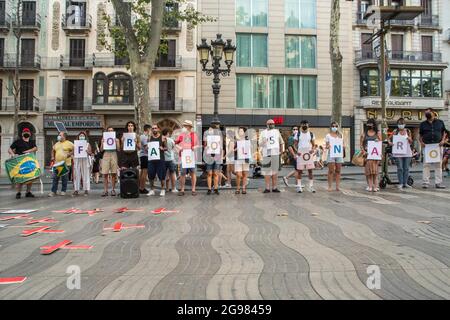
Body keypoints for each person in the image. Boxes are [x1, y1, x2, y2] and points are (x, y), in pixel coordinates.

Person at [419, 108, 447, 189]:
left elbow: (444, 132)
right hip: (427, 146)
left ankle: (438, 182)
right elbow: (420, 135)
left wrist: (443, 140)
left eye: (428, 112)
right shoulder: (423, 124)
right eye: (426, 112)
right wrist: (421, 142)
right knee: (426, 165)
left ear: (433, 113)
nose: (427, 113)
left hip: (438, 145)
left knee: (438, 165)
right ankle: (425, 182)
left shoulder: (440, 122)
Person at [8, 128, 38, 199]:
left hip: (29, 162)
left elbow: (35, 148)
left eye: (27, 132)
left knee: (30, 177)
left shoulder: (31, 142)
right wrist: (13, 154)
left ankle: (28, 192)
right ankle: (18, 192)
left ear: (30, 134)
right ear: (22, 134)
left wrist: (28, 151)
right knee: (20, 178)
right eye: (25, 132)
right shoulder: (18, 142)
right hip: (19, 162)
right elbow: (9, 149)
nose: (26, 133)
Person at [259, 119, 284, 193]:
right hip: (266, 153)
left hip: (275, 153)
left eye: (272, 123)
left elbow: (281, 141)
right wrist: (263, 142)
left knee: (275, 172)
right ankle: (267, 187)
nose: (271, 125)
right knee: (267, 172)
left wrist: (281, 151)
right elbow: (260, 143)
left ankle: (274, 187)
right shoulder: (263, 133)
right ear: (266, 124)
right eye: (270, 123)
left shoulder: (277, 132)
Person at [175, 120, 199, 196]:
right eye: (184, 126)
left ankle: (193, 189)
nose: (184, 127)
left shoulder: (194, 135)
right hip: (183, 156)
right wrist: (179, 148)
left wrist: (194, 147)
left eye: (185, 126)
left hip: (192, 156)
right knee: (182, 173)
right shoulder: (181, 135)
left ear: (189, 127)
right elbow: (175, 144)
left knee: (193, 173)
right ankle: (182, 189)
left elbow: (198, 145)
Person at [388, 118, 413, 190]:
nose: (401, 125)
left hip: (407, 152)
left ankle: (405, 183)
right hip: (398, 152)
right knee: (400, 168)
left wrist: (409, 139)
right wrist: (390, 142)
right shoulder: (395, 131)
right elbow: (388, 138)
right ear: (397, 124)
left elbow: (411, 141)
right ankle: (401, 183)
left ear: (404, 124)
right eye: (399, 124)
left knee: (406, 168)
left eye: (402, 123)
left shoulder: (408, 131)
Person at [292, 120, 316, 193]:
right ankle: (299, 186)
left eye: (305, 124)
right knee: (299, 171)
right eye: (303, 124)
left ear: (308, 125)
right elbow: (294, 145)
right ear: (301, 125)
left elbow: (314, 144)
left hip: (309, 154)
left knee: (310, 171)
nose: (304, 125)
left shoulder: (311, 134)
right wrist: (297, 151)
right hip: (301, 154)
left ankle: (311, 186)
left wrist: (313, 149)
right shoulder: (298, 134)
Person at [360, 118, 382, 192]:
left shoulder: (378, 133)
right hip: (367, 155)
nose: (370, 125)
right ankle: (369, 185)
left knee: (375, 171)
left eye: (371, 124)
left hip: (375, 155)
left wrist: (378, 141)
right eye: (368, 124)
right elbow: (361, 144)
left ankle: (375, 186)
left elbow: (380, 143)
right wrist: (363, 151)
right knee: (368, 171)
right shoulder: (364, 134)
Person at [49, 132, 74, 197]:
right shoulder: (57, 144)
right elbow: (53, 150)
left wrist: (70, 154)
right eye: (58, 135)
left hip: (65, 163)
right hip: (57, 163)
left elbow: (74, 150)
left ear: (64, 136)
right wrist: (52, 156)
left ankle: (63, 191)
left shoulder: (69, 143)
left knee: (64, 178)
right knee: (55, 178)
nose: (58, 136)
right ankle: (53, 191)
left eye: (60, 135)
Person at [204, 121, 224, 195]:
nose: (210, 131)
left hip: (217, 156)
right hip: (209, 156)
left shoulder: (219, 136)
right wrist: (206, 146)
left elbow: (221, 146)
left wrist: (221, 156)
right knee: (209, 173)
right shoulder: (206, 135)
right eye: (209, 129)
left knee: (216, 173)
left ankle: (216, 188)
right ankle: (209, 189)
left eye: (211, 129)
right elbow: (205, 145)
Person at [147, 124, 167, 196]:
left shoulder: (163, 138)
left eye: (155, 128)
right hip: (151, 160)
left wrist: (163, 148)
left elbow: (166, 148)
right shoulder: (149, 138)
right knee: (150, 175)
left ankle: (162, 189)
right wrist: (147, 148)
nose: (154, 129)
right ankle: (152, 189)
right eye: (153, 128)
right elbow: (147, 147)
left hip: (160, 159)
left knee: (161, 175)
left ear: (158, 129)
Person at [100, 126, 120, 197]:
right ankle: (105, 190)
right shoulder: (104, 139)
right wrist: (102, 143)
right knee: (105, 173)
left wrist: (117, 142)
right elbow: (101, 150)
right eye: (109, 130)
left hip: (114, 153)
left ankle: (113, 189)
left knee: (113, 173)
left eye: (111, 130)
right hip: (106, 154)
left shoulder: (116, 139)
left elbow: (118, 149)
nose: (110, 131)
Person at [325, 122, 344, 192]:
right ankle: (330, 186)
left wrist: (343, 146)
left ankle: (337, 186)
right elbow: (326, 146)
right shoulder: (328, 135)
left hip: (339, 154)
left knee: (338, 171)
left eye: (336, 126)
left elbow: (343, 144)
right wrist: (328, 146)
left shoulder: (340, 135)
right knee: (331, 171)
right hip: (331, 154)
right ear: (331, 127)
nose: (334, 127)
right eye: (333, 126)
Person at [73, 131, 92, 196]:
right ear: (78, 137)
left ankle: (86, 189)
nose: (81, 137)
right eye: (80, 136)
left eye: (83, 136)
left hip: (85, 159)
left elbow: (90, 153)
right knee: (77, 174)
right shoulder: (75, 144)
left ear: (85, 137)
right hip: (77, 159)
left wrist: (88, 152)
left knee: (86, 175)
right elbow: (73, 152)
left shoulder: (87, 144)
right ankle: (76, 189)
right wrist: (68, 154)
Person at [234, 127, 250, 194]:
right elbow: (232, 150)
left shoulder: (247, 140)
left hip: (245, 158)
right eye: (239, 131)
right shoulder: (236, 141)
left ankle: (243, 188)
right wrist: (236, 149)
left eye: (241, 131)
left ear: (244, 132)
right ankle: (238, 187)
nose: (240, 132)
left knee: (245, 174)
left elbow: (250, 149)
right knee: (238, 174)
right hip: (238, 158)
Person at [162, 128, 178, 193]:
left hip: (163, 159)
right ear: (168, 133)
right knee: (172, 173)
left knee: (165, 174)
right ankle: (173, 188)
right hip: (171, 159)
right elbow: (174, 148)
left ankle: (167, 188)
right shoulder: (171, 140)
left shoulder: (161, 140)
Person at [139, 124, 151, 194]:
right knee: (144, 172)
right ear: (148, 129)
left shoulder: (143, 136)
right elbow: (146, 148)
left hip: (143, 156)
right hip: (145, 155)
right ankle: (142, 188)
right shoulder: (144, 137)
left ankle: (140, 187)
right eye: (150, 130)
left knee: (142, 172)